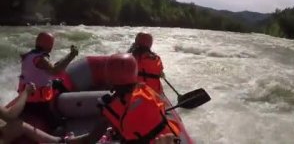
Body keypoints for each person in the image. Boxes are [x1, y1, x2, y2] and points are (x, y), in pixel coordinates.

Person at [1, 83, 176, 144]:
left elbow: (91, 138)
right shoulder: (146, 95)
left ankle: (59, 141)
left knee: (17, 127)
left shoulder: (115, 105)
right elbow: (10, 115)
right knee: (15, 126)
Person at [66, 53, 183, 144]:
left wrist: (71, 140)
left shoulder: (111, 106)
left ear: (110, 78)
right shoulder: (146, 90)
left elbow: (91, 139)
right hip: (172, 136)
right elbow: (161, 108)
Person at [18, 32, 79, 132]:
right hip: (36, 104)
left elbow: (51, 68)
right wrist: (71, 55)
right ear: (49, 45)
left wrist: (68, 56)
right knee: (58, 126)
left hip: (27, 97)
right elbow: (55, 71)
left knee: (58, 83)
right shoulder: (41, 58)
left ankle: (70, 105)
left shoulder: (30, 55)